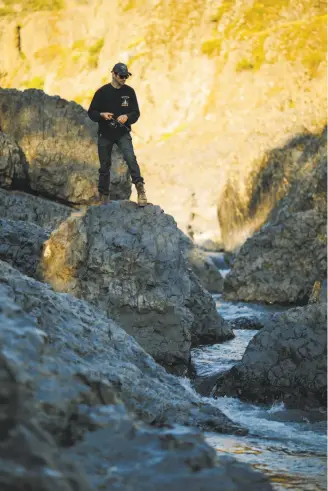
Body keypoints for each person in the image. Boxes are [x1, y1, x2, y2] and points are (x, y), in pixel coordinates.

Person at [87, 62, 147, 206]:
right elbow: (91, 112)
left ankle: (141, 190)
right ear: (113, 74)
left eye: (126, 76)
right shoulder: (102, 92)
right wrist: (102, 115)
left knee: (131, 158)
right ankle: (103, 196)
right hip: (105, 133)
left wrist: (127, 117)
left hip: (122, 133)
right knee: (104, 165)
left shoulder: (129, 92)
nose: (123, 79)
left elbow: (136, 113)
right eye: (121, 76)